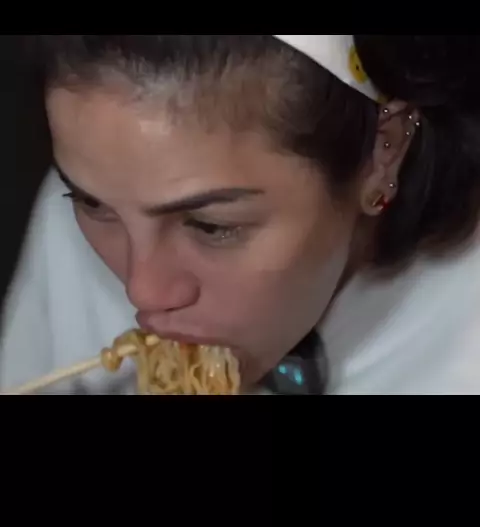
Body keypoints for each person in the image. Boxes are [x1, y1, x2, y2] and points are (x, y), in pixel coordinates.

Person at [1, 34, 480, 394]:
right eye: (90, 203)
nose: (142, 292)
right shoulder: (106, 191)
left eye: (211, 226)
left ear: (383, 151)